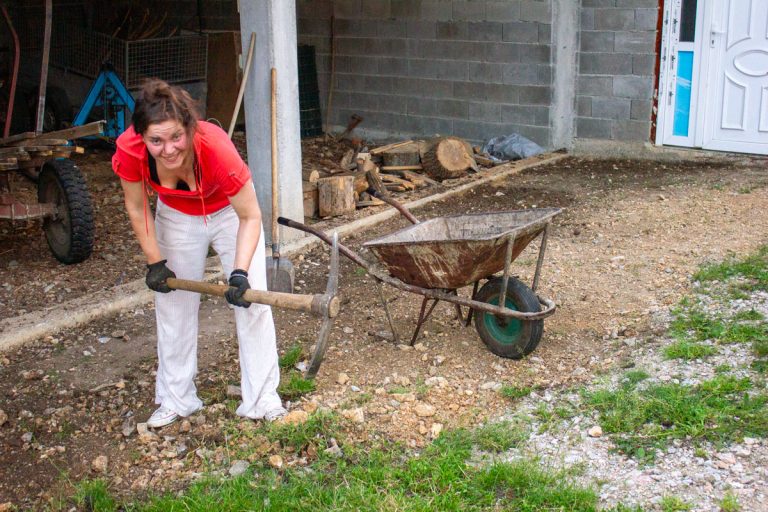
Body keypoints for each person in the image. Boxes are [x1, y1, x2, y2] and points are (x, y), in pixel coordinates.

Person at [112, 79, 286, 428]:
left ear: (189, 128)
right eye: (156, 141)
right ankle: (176, 399)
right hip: (176, 214)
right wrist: (155, 263)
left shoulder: (215, 148)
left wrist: (239, 273)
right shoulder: (130, 149)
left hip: (229, 214)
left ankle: (263, 398)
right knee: (173, 305)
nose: (169, 149)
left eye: (176, 137)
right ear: (141, 136)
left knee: (252, 302)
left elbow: (250, 216)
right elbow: (137, 208)